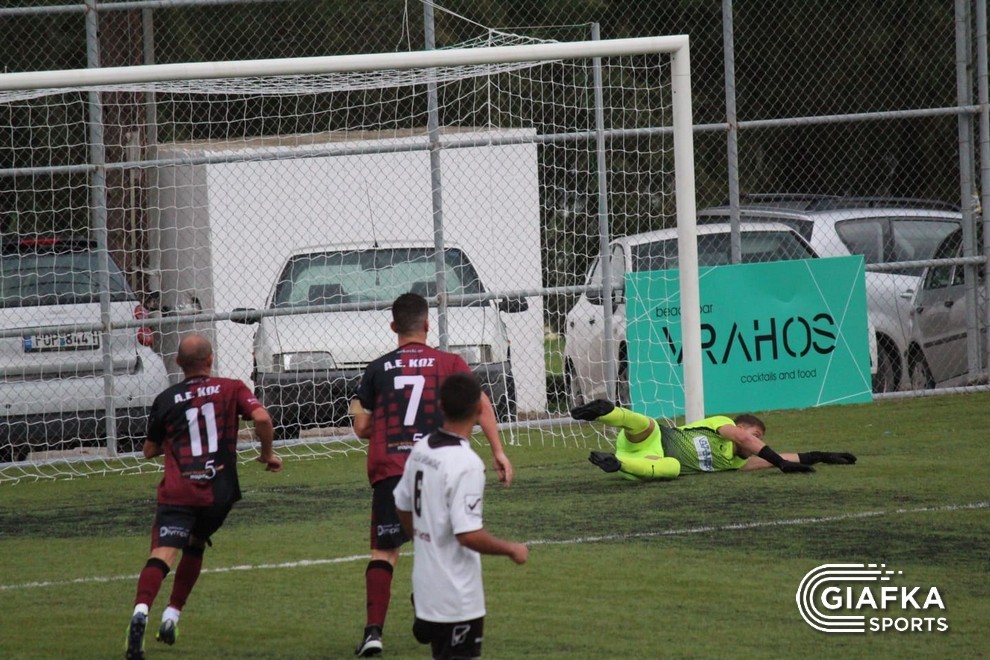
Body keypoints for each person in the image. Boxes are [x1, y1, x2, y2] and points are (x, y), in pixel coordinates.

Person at [350, 292, 513, 657]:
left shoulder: (376, 368)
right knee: (438, 545)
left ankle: (374, 632)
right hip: (439, 465)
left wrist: (381, 415)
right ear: (427, 324)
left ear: (393, 326)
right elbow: (481, 403)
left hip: (391, 468)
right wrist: (498, 451)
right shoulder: (449, 362)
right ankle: (429, 610)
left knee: (384, 552)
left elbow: (361, 428)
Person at [124, 334, 283, 660]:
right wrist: (267, 454)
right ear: (210, 360)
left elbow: (149, 451)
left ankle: (141, 612)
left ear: (178, 363)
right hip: (218, 493)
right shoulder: (232, 388)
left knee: (163, 554)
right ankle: (172, 616)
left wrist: (173, 441)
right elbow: (262, 418)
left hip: (179, 492)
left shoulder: (167, 399)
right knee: (195, 545)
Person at [393, 372, 528, 660]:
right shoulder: (466, 464)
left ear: (440, 406)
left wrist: (422, 539)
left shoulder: (421, 449)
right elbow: (467, 534)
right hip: (457, 597)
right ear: (479, 409)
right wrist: (511, 549)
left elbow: (402, 504)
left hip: (426, 588)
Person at [571, 399, 856, 480]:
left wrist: (820, 455)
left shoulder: (736, 464)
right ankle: (604, 412)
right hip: (656, 437)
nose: (753, 444)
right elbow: (746, 440)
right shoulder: (721, 424)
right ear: (740, 426)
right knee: (646, 423)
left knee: (672, 468)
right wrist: (780, 462)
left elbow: (781, 460)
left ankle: (615, 462)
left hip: (645, 462)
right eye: (756, 436)